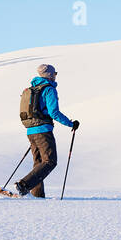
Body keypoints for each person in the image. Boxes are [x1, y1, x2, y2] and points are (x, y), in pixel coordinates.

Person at [14, 63, 78, 197]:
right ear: (49, 75)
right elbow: (54, 112)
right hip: (43, 130)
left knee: (39, 163)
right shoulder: (49, 89)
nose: (55, 76)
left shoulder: (33, 88)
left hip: (31, 130)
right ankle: (23, 185)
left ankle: (37, 195)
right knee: (50, 161)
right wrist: (71, 124)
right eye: (54, 74)